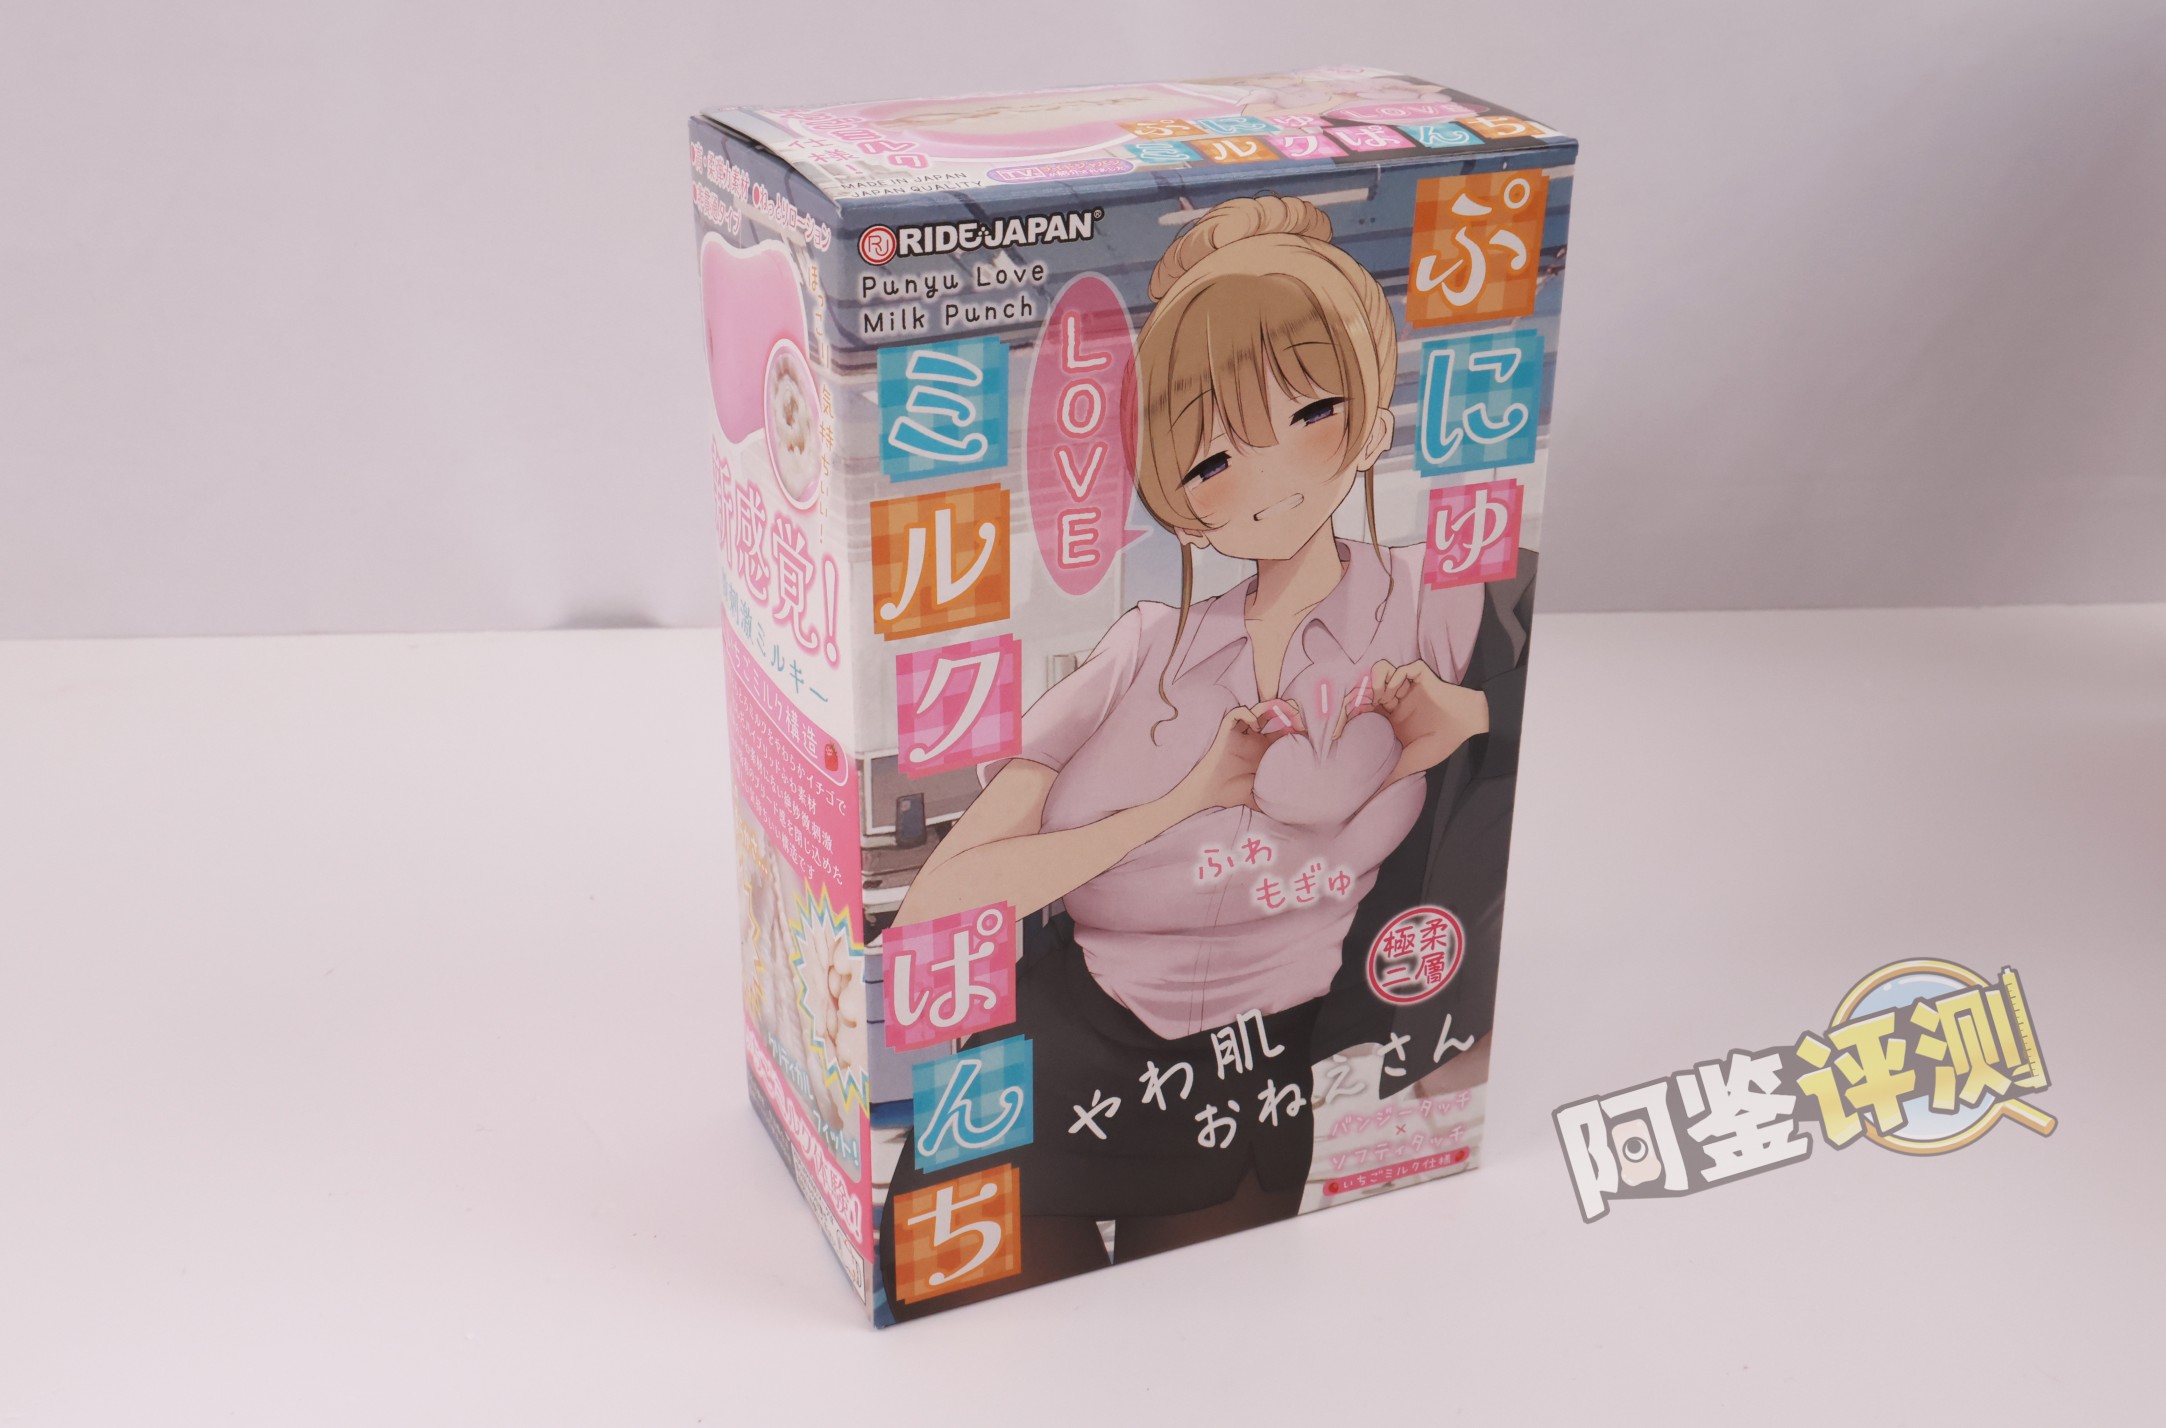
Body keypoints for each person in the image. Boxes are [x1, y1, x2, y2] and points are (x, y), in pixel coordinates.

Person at [877, 194, 1528, 1315]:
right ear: (1177, 499)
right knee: (961, 1318)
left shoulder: (1436, 603)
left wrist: (1459, 720)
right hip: (1061, 1049)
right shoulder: (1143, 648)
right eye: (1213, 456)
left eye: (1308, 412)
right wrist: (1179, 801)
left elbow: (1511, 736)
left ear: (1370, 421)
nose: (1263, 478)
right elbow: (940, 905)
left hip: (1254, 1068)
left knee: (1199, 1334)